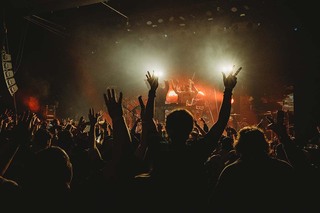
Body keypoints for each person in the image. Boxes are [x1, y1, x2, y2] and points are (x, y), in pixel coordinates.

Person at [135, 71, 238, 212]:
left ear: (167, 128)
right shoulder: (197, 150)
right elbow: (221, 123)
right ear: (190, 129)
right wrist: (228, 90)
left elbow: (148, 122)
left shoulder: (160, 149)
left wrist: (152, 92)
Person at [210, 126, 299, 212]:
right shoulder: (283, 169)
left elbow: (216, 204)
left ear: (239, 145)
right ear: (264, 144)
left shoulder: (230, 171)